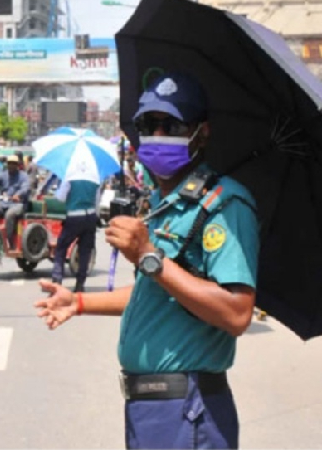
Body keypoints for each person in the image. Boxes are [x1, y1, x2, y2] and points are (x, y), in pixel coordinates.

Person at [34, 73, 258, 449]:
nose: (156, 135)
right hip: (151, 409)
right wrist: (80, 302)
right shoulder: (162, 205)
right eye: (147, 125)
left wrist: (147, 255)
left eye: (170, 125)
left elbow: (237, 314)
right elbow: (155, 292)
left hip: (188, 409)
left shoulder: (223, 205)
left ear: (201, 133)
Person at [51, 176, 99, 292]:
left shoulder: (69, 177)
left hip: (74, 216)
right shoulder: (95, 179)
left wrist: (58, 193)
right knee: (85, 252)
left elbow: (61, 198)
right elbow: (97, 202)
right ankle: (80, 284)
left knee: (61, 248)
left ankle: (57, 280)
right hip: (90, 217)